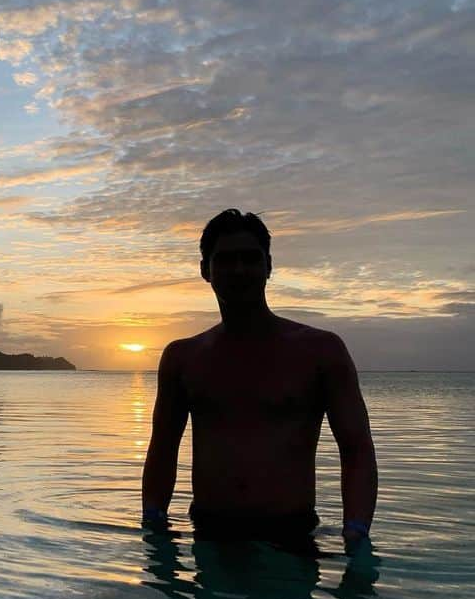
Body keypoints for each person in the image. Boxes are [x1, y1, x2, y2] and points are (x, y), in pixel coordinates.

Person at [141, 209, 378, 550]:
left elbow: (356, 449)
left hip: (292, 537)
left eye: (250, 259)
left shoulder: (321, 352)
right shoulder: (183, 358)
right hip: (210, 536)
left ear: (269, 266)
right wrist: (153, 527)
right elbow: (163, 450)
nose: (239, 270)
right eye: (225, 260)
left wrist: (356, 533)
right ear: (205, 270)